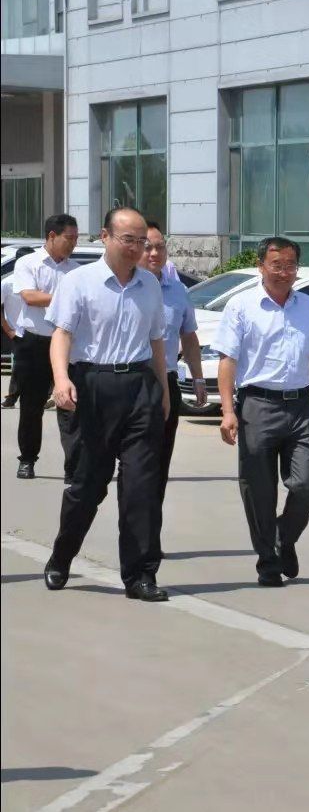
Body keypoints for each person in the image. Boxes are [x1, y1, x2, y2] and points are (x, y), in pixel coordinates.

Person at [42, 207, 171, 602]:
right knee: (88, 484)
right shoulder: (79, 282)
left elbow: (156, 343)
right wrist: (61, 379)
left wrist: (163, 392)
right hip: (93, 386)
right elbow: (62, 335)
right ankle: (62, 555)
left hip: (140, 387)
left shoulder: (150, 285)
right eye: (128, 239)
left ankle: (140, 575)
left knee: (141, 487)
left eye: (142, 241)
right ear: (105, 237)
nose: (137, 248)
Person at [214, 237, 309, 588]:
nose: (284, 272)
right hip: (258, 405)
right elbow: (227, 360)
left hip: (301, 406)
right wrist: (227, 411)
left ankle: (285, 535)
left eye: (290, 265)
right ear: (261, 267)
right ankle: (268, 561)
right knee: (259, 490)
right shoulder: (241, 306)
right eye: (276, 265)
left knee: (307, 483)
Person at [140, 221, 206, 527]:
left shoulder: (178, 290)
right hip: (128, 381)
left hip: (165, 382)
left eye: (160, 247)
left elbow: (188, 336)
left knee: (159, 461)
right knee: (132, 463)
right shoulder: (125, 287)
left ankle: (149, 533)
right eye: (148, 247)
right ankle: (134, 529)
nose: (155, 253)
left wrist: (198, 377)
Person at [12, 214, 84, 480]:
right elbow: (29, 296)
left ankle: (73, 467)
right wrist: (65, 297)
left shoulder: (76, 270)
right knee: (31, 406)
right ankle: (27, 459)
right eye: (69, 238)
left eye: (76, 238)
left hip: (67, 344)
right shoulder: (28, 263)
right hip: (34, 343)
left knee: (70, 405)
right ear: (52, 236)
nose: (73, 244)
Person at [2, 275, 22, 407]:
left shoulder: (39, 279)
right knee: (19, 365)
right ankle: (11, 399)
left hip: (41, 330)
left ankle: (47, 397)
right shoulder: (7, 283)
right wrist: (8, 330)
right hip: (17, 332)